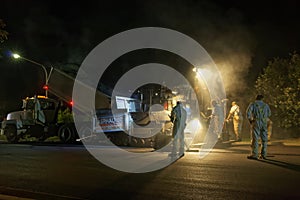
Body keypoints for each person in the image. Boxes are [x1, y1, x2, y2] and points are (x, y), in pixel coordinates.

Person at [246, 95, 271, 160]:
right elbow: (269, 114)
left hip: (256, 121)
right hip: (264, 122)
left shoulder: (253, 104)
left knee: (255, 138)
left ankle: (254, 154)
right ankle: (264, 154)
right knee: (264, 139)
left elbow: (248, 113)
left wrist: (250, 120)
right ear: (262, 99)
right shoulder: (266, 105)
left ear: (256, 98)